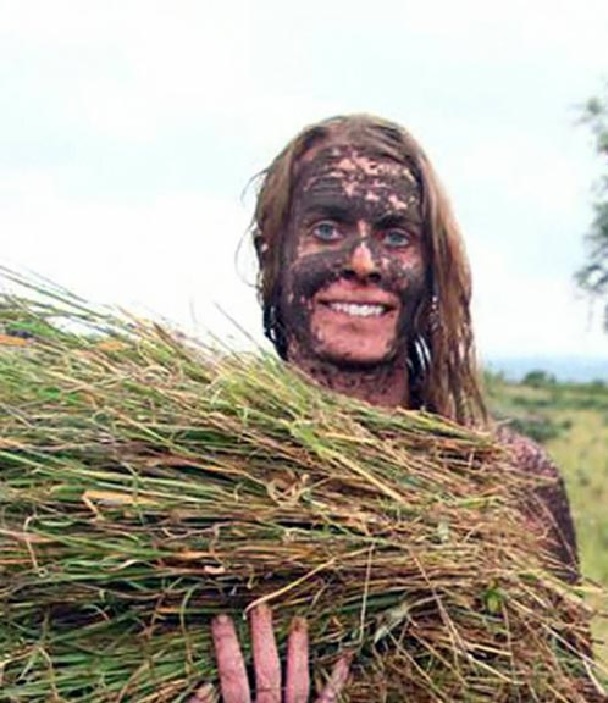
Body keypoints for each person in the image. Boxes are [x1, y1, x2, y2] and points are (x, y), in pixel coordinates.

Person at [190, 114, 582, 703]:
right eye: (327, 229)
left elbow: (573, 686)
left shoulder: (510, 482)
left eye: (396, 237)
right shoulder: (202, 476)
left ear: (431, 268)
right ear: (273, 253)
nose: (364, 262)